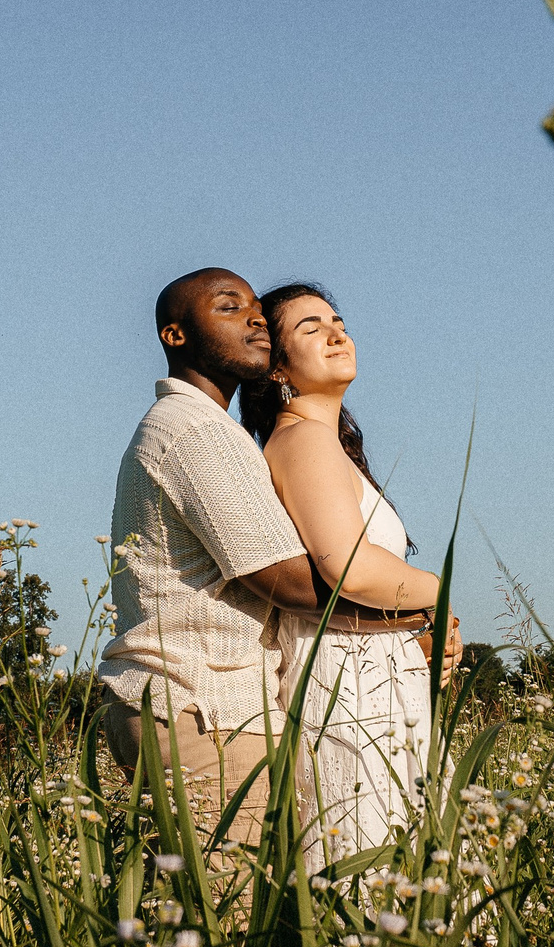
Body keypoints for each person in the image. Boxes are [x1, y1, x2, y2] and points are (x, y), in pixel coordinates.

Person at [95, 268, 433, 857]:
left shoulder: (210, 431)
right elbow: (287, 581)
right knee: (224, 923)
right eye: (229, 307)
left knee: (219, 916)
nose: (253, 318)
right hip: (203, 709)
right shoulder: (194, 431)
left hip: (205, 709)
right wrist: (424, 609)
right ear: (175, 336)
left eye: (256, 308)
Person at [239, 282, 458, 868]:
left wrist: (423, 615)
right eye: (310, 328)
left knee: (403, 865)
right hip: (353, 688)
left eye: (338, 320)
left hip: (372, 674)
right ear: (277, 367)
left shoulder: (320, 442)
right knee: (372, 862)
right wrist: (441, 592)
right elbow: (348, 567)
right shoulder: (304, 440)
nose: (337, 333)